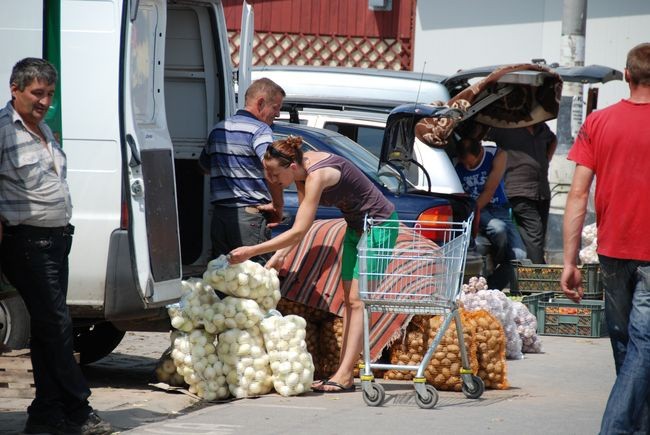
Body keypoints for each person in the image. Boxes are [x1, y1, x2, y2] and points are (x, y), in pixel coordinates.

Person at [227, 135, 398, 393]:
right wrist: (280, 255)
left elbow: (298, 231)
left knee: (358, 301)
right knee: (350, 301)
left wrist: (253, 250)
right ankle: (344, 374)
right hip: (356, 229)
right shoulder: (301, 175)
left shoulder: (317, 175)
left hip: (380, 226)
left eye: (275, 175)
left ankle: (344, 375)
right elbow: (300, 228)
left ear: (291, 167)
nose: (272, 181)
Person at [0, 58, 112, 434]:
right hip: (27, 241)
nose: (44, 100)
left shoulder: (44, 130)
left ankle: (46, 413)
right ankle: (78, 407)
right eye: (37, 93)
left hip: (57, 241)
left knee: (48, 328)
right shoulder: (4, 131)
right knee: (57, 323)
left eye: (49, 94)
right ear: (15, 89)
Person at [561, 42, 650, 434]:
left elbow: (577, 193)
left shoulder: (598, 123)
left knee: (629, 346)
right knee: (641, 347)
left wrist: (570, 260)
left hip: (612, 251)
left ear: (626, 76)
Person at [199, 78, 286, 263]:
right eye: (276, 107)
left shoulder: (218, 129)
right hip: (250, 218)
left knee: (223, 277)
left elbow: (204, 167)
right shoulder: (261, 130)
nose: (277, 114)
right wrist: (278, 206)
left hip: (221, 216)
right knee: (255, 279)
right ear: (261, 102)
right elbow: (272, 167)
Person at [454, 137, 527, 291]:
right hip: (475, 210)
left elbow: (489, 191)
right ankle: (494, 260)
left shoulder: (497, 155)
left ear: (480, 152)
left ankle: (493, 287)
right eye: (464, 163)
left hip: (495, 208)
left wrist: (474, 211)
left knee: (520, 256)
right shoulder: (456, 164)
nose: (467, 166)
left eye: (470, 163)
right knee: (498, 228)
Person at [488, 123, 557, 264]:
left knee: (536, 235)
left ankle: (529, 269)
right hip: (518, 189)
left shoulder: (542, 128)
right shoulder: (505, 127)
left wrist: (546, 160)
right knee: (534, 233)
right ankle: (537, 273)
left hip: (541, 190)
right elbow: (482, 135)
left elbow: (553, 140)